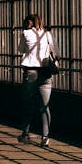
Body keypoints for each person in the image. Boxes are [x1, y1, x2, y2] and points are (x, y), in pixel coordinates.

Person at [17, 12, 59, 148]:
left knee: (28, 103)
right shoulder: (48, 34)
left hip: (31, 73)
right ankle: (45, 138)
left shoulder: (26, 33)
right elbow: (56, 52)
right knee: (45, 107)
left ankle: (25, 134)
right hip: (46, 73)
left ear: (30, 23)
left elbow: (20, 49)